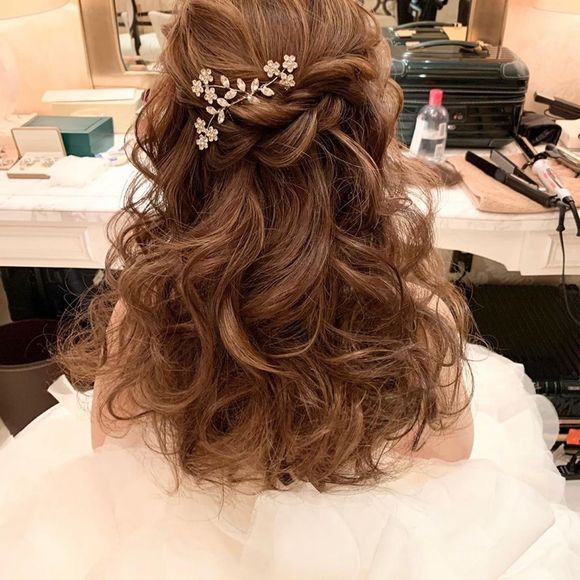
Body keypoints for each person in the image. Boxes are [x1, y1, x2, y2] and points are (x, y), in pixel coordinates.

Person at [1, 1, 579, 578]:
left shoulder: (148, 313)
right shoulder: (412, 316)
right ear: (366, 136)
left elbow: (112, 455)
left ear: (178, 131)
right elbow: (451, 458)